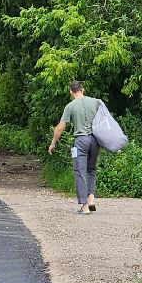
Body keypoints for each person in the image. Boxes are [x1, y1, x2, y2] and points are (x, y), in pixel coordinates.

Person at [48, 80, 101, 214]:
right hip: (95, 140)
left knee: (79, 171)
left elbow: (60, 127)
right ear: (83, 89)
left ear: (71, 92)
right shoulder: (95, 102)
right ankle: (91, 197)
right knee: (92, 169)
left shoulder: (70, 106)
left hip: (81, 141)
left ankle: (84, 206)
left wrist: (53, 143)